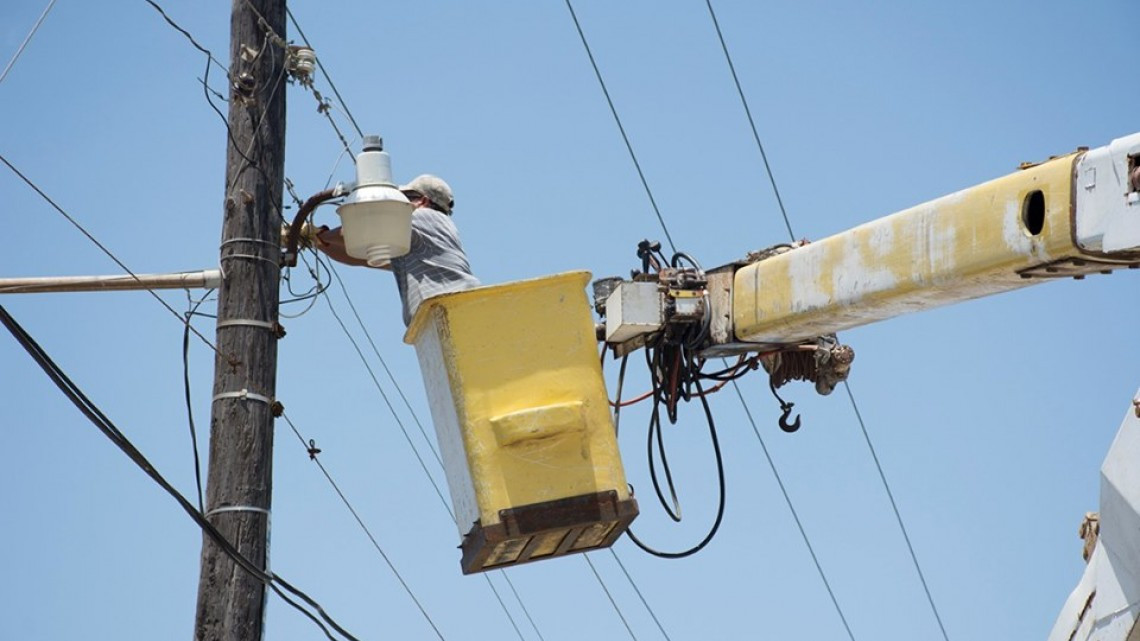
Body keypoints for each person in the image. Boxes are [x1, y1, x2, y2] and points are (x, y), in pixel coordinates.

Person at [315, 174, 480, 325]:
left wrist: (318, 234)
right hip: (449, 310)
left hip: (455, 306)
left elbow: (358, 230)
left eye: (406, 197)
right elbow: (362, 258)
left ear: (423, 201)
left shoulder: (426, 217)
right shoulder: (414, 241)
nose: (401, 203)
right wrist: (318, 242)